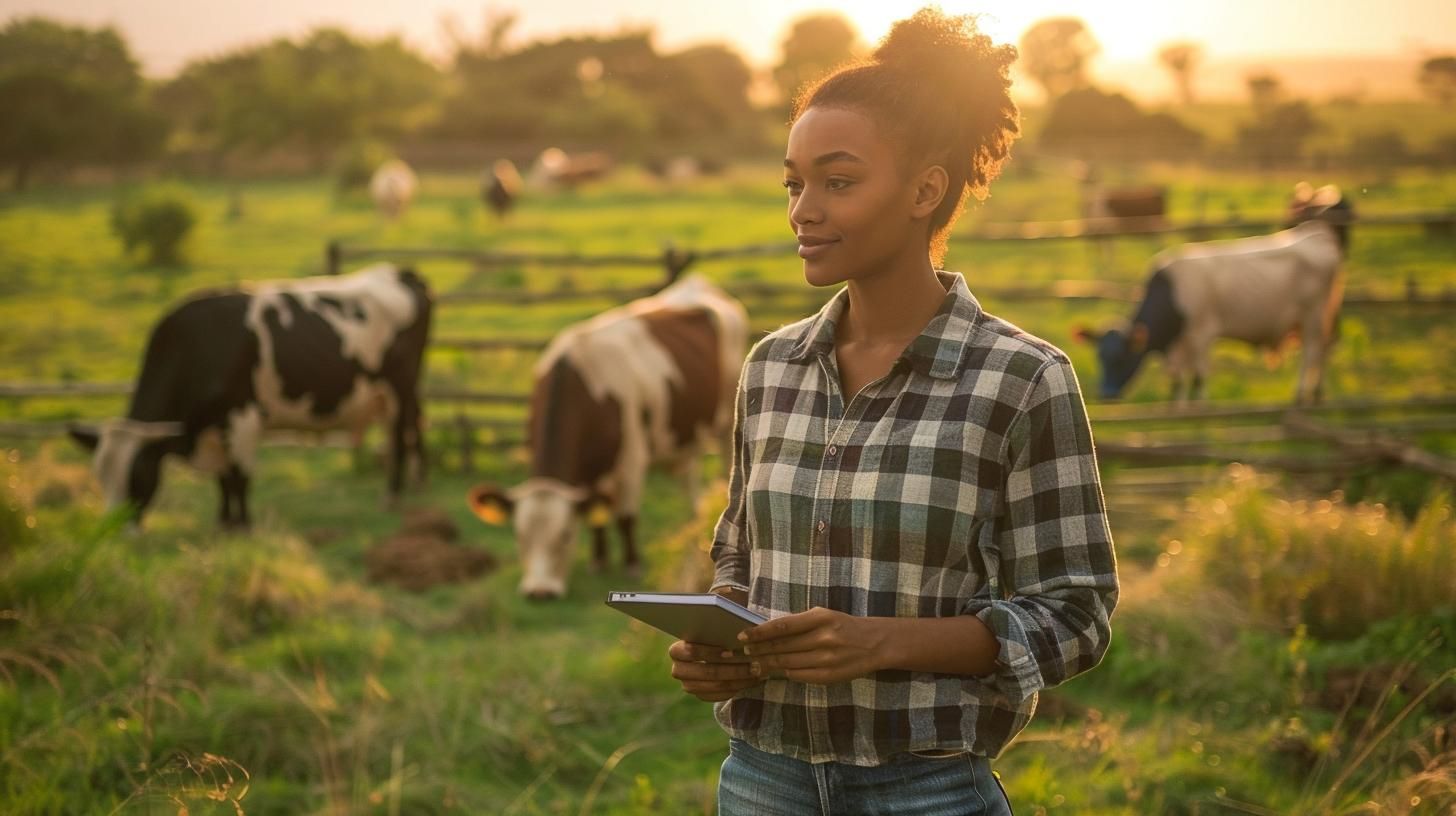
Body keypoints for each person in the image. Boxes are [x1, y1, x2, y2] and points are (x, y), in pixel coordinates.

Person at [666, 8, 1119, 815]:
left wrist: (883, 644)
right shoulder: (771, 368)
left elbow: (1075, 614)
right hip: (761, 780)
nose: (803, 209)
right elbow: (738, 561)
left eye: (838, 182)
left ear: (924, 190)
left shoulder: (1021, 380)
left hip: (930, 788)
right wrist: (721, 648)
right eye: (794, 183)